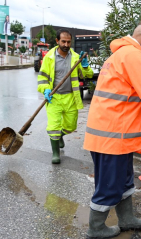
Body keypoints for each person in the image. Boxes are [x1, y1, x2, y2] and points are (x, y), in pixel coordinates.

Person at [83, 24, 141, 239]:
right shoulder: (133, 56)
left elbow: (132, 99)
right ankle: (95, 228)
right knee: (109, 185)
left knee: (124, 181)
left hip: (115, 135)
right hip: (112, 137)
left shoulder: (122, 56)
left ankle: (126, 219)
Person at [37, 29, 93, 164]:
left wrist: (85, 66)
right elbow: (42, 78)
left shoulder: (75, 58)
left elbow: (89, 75)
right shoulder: (49, 57)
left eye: (68, 42)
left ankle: (59, 136)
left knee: (71, 126)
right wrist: (45, 90)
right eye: (63, 41)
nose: (66, 45)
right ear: (57, 41)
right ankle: (55, 153)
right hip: (54, 98)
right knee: (53, 127)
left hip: (70, 97)